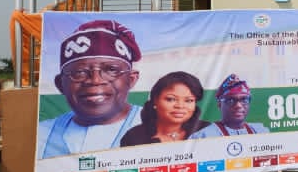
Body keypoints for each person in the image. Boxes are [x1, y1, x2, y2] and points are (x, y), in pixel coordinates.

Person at [38, 20, 144, 158]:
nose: (95, 80)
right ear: (60, 84)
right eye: (79, 72)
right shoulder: (41, 133)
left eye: (111, 70)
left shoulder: (163, 127)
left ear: (131, 79)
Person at [120, 71, 207, 146]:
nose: (180, 106)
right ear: (155, 101)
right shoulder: (133, 137)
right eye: (171, 99)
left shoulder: (208, 130)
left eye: (189, 100)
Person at [188, 74, 269, 137]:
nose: (238, 105)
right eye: (230, 100)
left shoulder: (260, 132)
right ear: (219, 104)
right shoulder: (205, 136)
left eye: (244, 100)